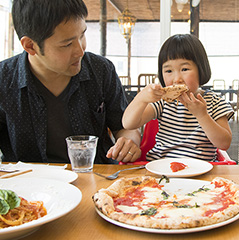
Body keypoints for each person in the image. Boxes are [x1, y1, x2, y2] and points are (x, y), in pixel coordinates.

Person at [0, 0, 141, 164]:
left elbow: (124, 127)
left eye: (82, 35)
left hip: (96, 178)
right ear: (30, 45)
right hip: (29, 182)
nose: (80, 51)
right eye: (67, 44)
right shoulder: (4, 80)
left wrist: (129, 141)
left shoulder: (101, 70)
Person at [122, 34, 234, 161]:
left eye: (184, 69)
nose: (177, 79)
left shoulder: (214, 102)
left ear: (201, 70)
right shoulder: (162, 102)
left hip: (201, 170)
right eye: (169, 71)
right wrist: (141, 98)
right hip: (161, 168)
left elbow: (224, 144)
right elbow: (128, 124)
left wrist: (202, 116)